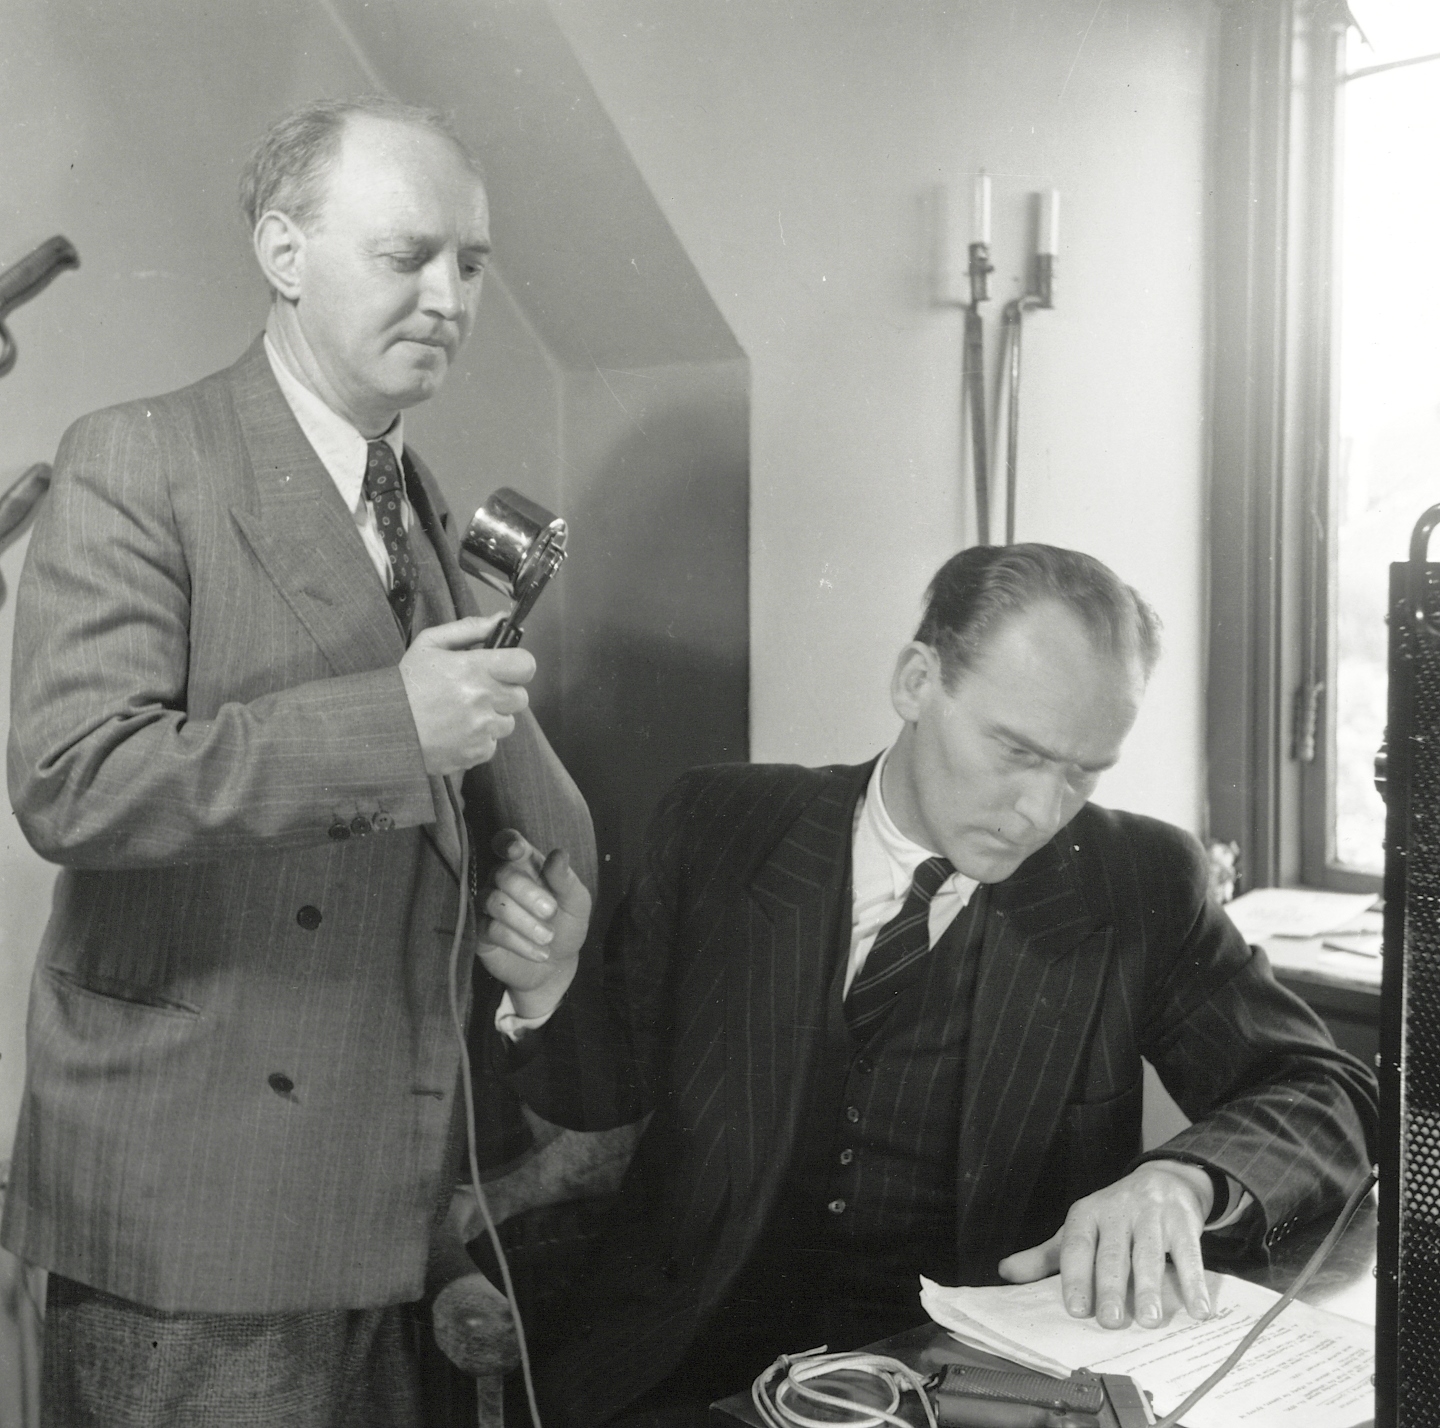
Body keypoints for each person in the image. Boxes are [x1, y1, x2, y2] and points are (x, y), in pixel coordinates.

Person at [480, 543, 1378, 1428]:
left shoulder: (1138, 880)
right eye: (1015, 751)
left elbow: (1325, 1088)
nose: (1041, 811)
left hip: (975, 1387)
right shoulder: (722, 823)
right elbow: (604, 1089)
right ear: (916, 682)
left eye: (1082, 772)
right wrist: (548, 982)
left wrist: (1182, 1180)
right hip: (693, 1365)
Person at [3, 96, 591, 1426]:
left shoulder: (414, 495)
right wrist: (392, 725)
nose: (449, 298)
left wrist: (549, 913)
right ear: (283, 252)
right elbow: (72, 779)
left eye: (470, 264)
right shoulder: (138, 456)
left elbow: (488, 780)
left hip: (383, 1202)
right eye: (407, 256)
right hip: (197, 1212)